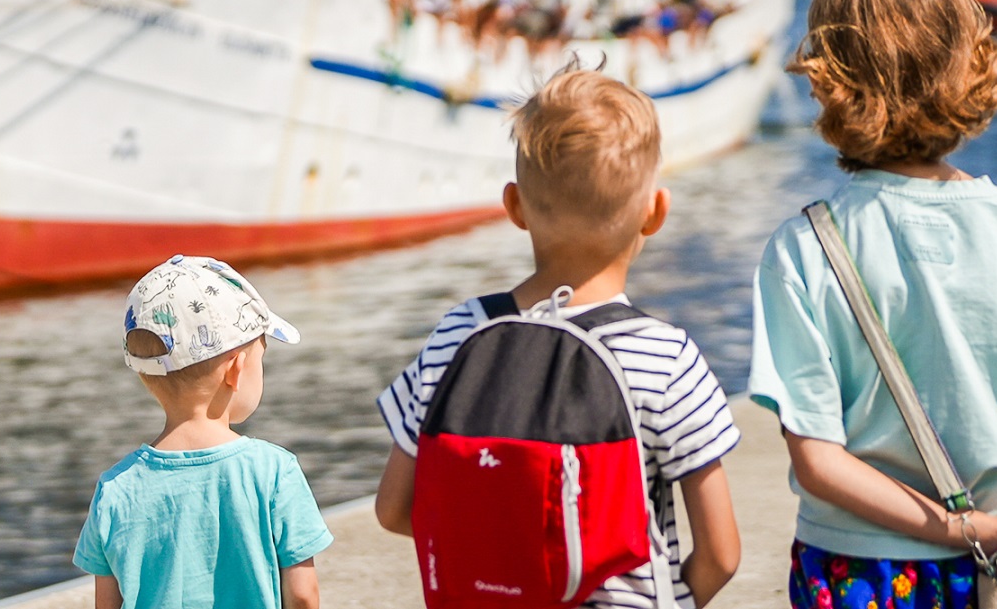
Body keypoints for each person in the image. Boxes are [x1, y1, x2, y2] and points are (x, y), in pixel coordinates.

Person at [749, 0, 997, 609]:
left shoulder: (806, 246)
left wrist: (956, 526)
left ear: (825, 82)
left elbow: (818, 460)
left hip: (858, 568)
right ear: (971, 63)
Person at [375, 69, 743, 608]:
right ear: (655, 212)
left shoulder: (458, 335)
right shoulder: (665, 357)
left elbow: (394, 509)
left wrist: (509, 559)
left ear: (514, 206)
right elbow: (722, 553)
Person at [74, 255, 331, 609]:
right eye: (261, 356)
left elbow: (107, 605)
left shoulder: (116, 489)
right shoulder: (274, 471)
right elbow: (303, 595)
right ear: (236, 369)